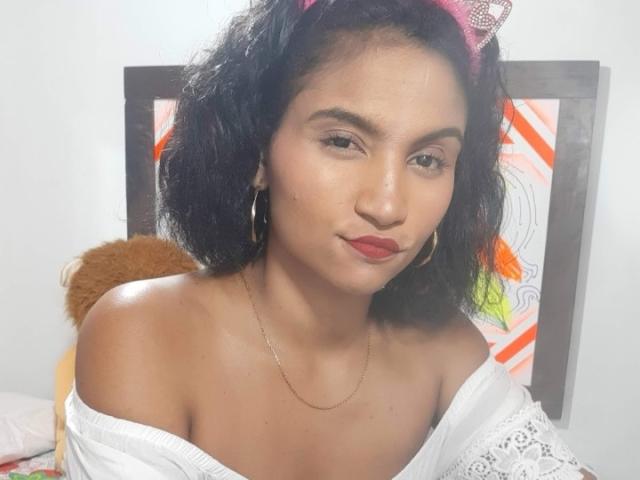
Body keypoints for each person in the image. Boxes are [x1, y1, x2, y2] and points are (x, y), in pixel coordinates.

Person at [64, 0, 598, 478]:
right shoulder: (141, 335)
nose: (387, 205)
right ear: (259, 154)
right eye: (343, 141)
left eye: (427, 159)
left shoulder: (445, 349)